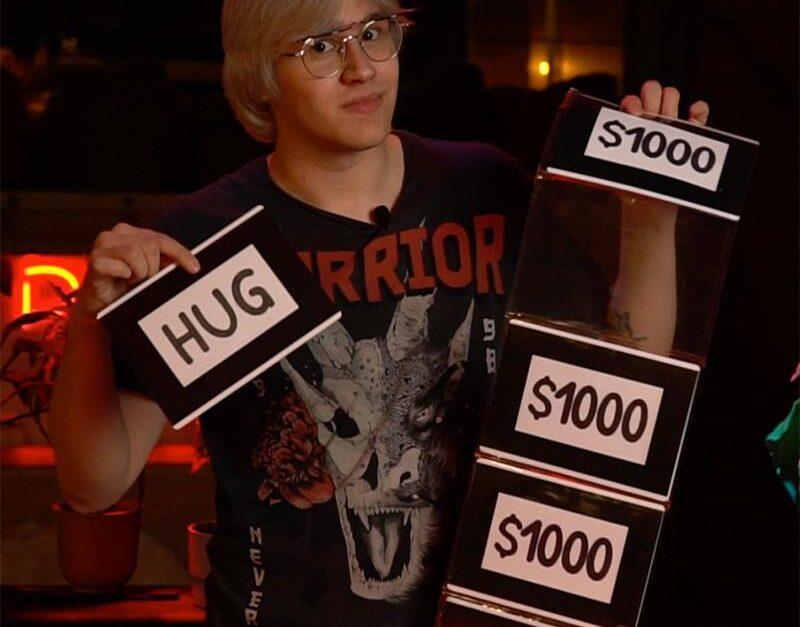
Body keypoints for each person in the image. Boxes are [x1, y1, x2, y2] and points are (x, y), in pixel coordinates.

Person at [49, 1, 711, 625]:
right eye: (319, 47)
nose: (360, 68)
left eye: (373, 32)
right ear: (260, 76)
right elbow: (93, 486)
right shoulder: (208, 238)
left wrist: (651, 221)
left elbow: (626, 381)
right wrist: (89, 320)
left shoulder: (483, 186)